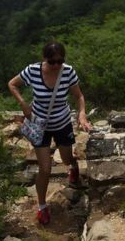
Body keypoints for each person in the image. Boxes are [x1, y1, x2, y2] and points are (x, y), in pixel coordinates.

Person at [8, 42, 93, 225]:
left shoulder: (68, 71)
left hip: (62, 123)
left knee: (66, 157)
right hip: (40, 125)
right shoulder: (33, 71)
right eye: (52, 61)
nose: (56, 65)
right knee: (45, 169)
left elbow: (79, 95)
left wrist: (82, 113)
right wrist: (23, 103)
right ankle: (42, 206)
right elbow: (12, 84)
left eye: (60, 61)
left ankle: (73, 166)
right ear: (44, 58)